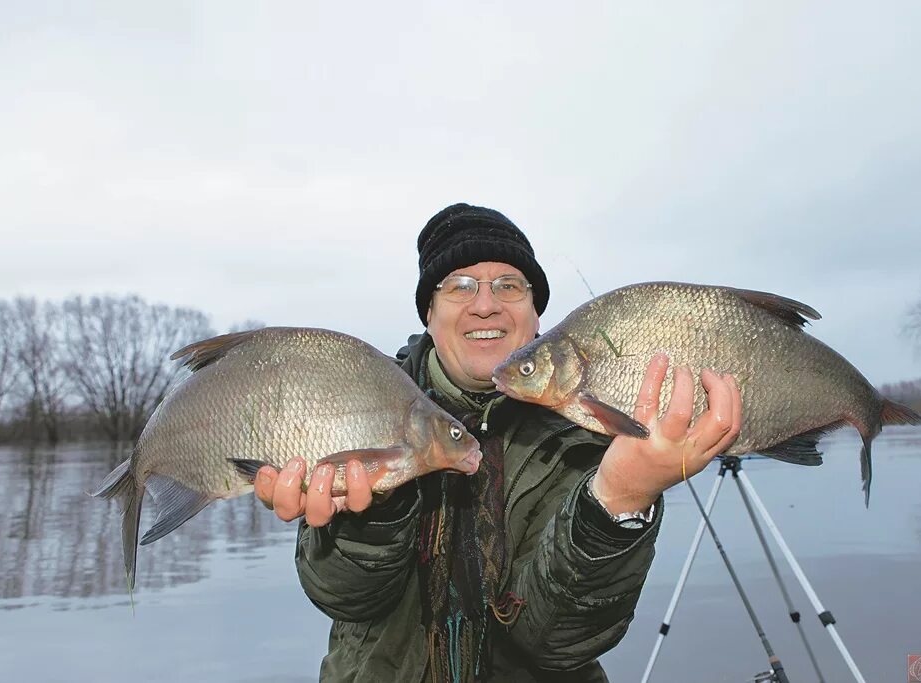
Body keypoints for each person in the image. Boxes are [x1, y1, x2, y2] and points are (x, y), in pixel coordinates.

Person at [254, 203, 744, 682]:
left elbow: (559, 641)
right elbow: (346, 598)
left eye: (509, 285)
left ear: (536, 316)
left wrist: (619, 501)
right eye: (459, 286)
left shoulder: (599, 428)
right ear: (429, 311)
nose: (484, 303)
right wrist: (372, 515)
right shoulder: (362, 404)